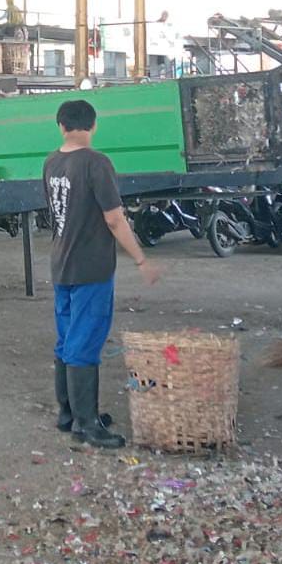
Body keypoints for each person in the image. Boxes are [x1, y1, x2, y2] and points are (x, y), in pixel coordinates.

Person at [43, 98, 161, 448]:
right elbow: (113, 218)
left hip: (61, 262)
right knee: (85, 340)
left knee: (67, 337)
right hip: (91, 266)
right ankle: (87, 424)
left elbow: (54, 215)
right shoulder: (96, 163)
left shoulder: (51, 162)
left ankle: (68, 414)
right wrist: (141, 259)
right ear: (93, 126)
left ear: (61, 126)